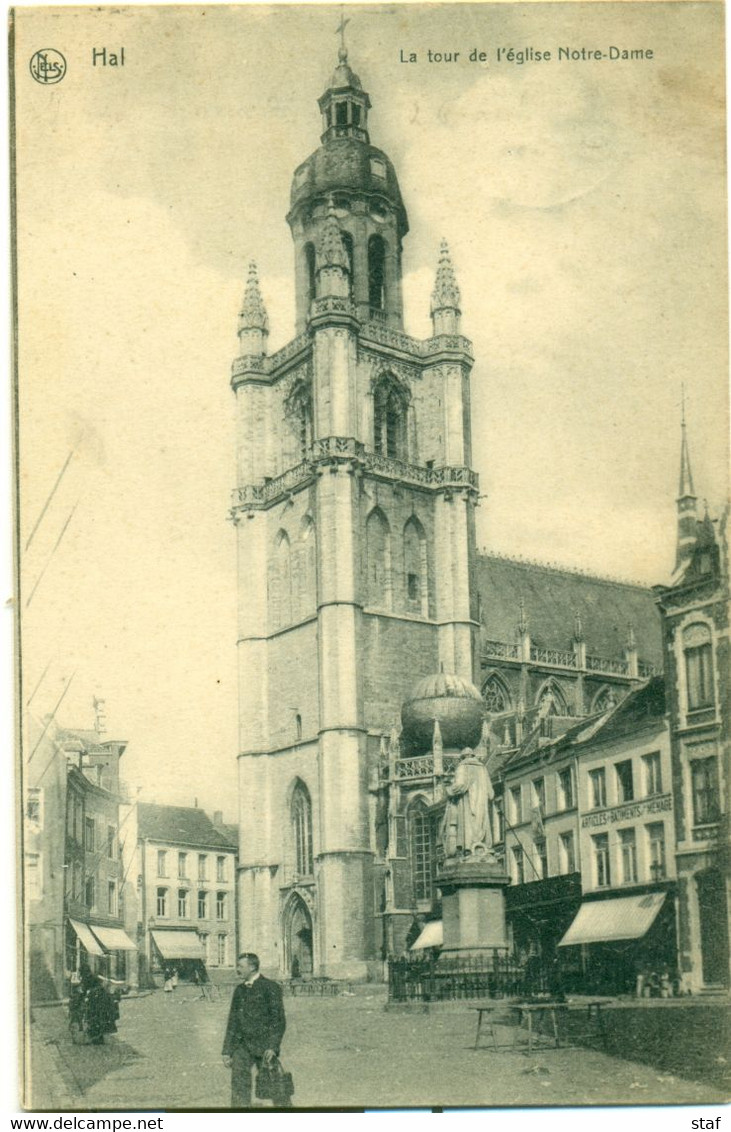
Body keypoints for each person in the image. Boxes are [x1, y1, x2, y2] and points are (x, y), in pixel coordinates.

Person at [222, 953, 286, 1108]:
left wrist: (273, 1046)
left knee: (275, 1087)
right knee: (238, 1086)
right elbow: (233, 1021)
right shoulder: (239, 990)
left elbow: (278, 1020)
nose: (237, 969)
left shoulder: (270, 987)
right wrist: (227, 1051)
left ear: (252, 967)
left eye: (241, 966)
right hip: (242, 1046)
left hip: (264, 1047)